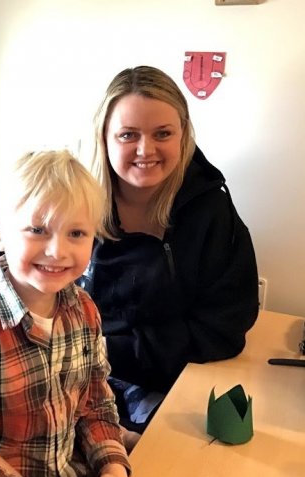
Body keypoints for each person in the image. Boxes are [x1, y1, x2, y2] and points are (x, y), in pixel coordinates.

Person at [0, 150, 131, 477]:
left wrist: (112, 466)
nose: (57, 251)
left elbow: (95, 405)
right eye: (37, 229)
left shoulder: (84, 311)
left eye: (76, 233)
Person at [78, 66, 259, 435]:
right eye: (128, 135)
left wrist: (111, 350)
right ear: (104, 137)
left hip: (177, 381)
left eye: (162, 133)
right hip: (77, 377)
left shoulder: (211, 209)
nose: (146, 150)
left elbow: (225, 328)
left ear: (184, 135)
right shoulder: (73, 203)